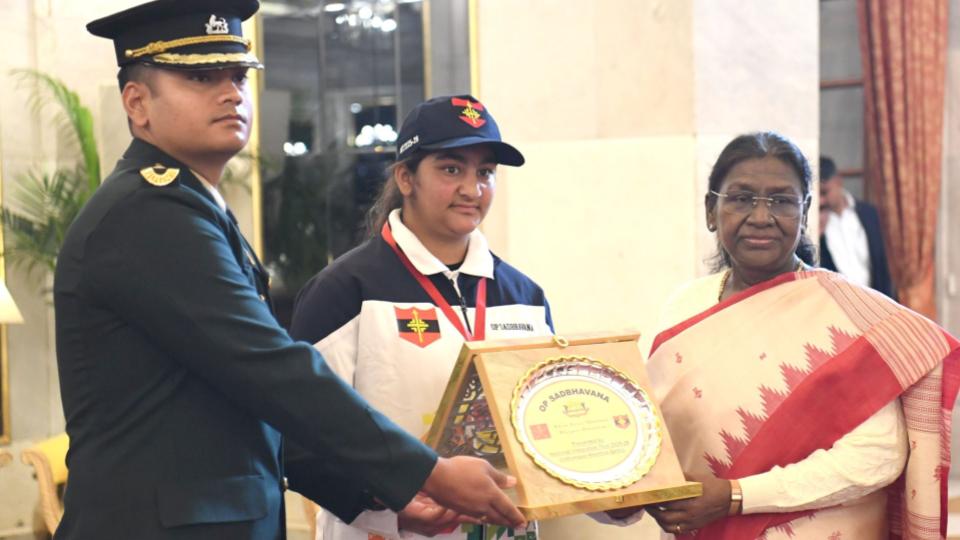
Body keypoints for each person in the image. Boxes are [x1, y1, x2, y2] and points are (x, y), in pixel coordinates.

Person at [54, 2, 525, 539]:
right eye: (201, 78)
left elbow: (252, 400)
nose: (231, 94)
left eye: (238, 77)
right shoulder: (149, 214)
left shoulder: (190, 205)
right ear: (137, 103)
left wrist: (374, 499)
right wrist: (429, 474)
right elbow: (271, 371)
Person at [605, 132, 959, 538]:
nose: (761, 216)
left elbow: (879, 454)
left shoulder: (849, 315)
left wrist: (737, 496)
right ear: (711, 211)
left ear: (804, 212)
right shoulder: (685, 305)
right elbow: (656, 436)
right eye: (741, 198)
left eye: (781, 201)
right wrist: (620, 492)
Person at [290, 95, 553, 540]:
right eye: (451, 169)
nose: (472, 189)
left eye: (485, 172)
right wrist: (384, 506)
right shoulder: (344, 291)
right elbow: (295, 436)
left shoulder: (525, 297)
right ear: (406, 178)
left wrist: (613, 488)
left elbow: (548, 423)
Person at [818, 156, 894, 298]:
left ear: (838, 182)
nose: (821, 200)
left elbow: (882, 263)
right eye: (817, 194)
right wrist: (818, 235)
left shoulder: (869, 213)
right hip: (837, 304)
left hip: (876, 301)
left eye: (824, 192)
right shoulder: (816, 221)